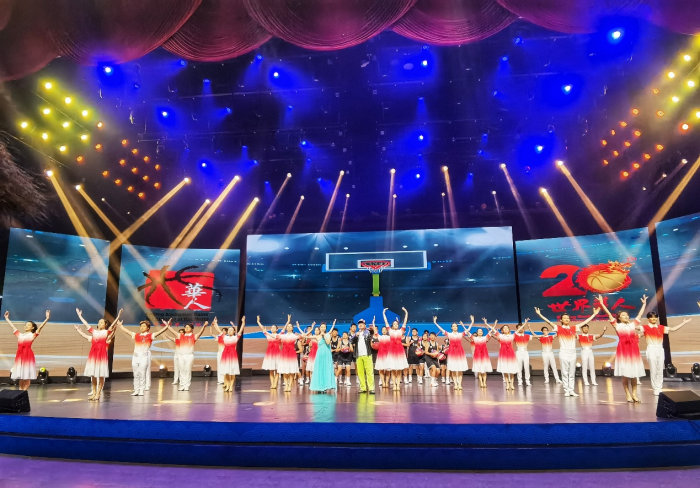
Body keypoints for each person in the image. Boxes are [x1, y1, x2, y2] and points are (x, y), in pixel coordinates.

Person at [535, 306, 599, 397]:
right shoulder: (558, 328)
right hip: (564, 352)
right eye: (564, 318)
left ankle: (571, 390)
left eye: (568, 318)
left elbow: (585, 322)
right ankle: (566, 390)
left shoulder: (574, 328)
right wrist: (539, 314)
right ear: (561, 320)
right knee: (565, 372)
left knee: (572, 372)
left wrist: (594, 314)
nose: (566, 319)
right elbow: (548, 322)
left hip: (572, 353)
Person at [598, 294, 648, 403]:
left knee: (634, 374)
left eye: (626, 315)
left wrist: (644, 304)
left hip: (633, 350)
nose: (625, 316)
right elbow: (609, 314)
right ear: (619, 318)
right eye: (623, 315)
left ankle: (634, 394)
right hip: (623, 350)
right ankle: (627, 394)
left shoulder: (633, 325)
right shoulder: (617, 325)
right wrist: (602, 304)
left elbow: (640, 315)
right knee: (625, 375)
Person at [640, 311, 691, 396]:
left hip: (660, 349)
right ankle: (655, 388)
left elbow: (673, 329)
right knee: (653, 370)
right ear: (648, 318)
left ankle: (659, 387)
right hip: (651, 349)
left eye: (655, 317)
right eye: (652, 317)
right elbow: (634, 327)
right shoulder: (645, 327)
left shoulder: (661, 327)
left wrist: (684, 323)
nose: (654, 319)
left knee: (660, 369)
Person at [74, 308, 121, 401]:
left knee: (101, 375)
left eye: (102, 322)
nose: (100, 323)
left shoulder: (105, 332)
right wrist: (80, 316)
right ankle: (94, 392)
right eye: (99, 322)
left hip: (101, 355)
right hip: (93, 355)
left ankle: (98, 393)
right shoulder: (94, 332)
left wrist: (118, 316)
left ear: (105, 325)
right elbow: (86, 324)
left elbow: (112, 326)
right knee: (93, 375)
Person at [117, 318, 172, 396]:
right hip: (135, 357)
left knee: (142, 374)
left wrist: (166, 326)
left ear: (148, 328)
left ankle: (141, 390)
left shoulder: (150, 335)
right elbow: (127, 331)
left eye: (144, 326)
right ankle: (136, 390)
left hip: (143, 357)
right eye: (141, 326)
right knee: (136, 374)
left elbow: (160, 332)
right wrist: (120, 326)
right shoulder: (136, 335)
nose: (142, 327)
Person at [3, 310, 50, 391]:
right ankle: (20, 391)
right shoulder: (20, 335)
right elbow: (13, 327)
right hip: (20, 356)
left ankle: (24, 392)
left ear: (32, 327)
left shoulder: (32, 335)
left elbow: (40, 328)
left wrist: (47, 318)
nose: (26, 326)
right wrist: (7, 318)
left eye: (28, 325)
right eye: (25, 325)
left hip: (27, 355)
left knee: (27, 376)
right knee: (21, 376)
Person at [433, 316, 472, 390]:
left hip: (460, 352)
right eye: (453, 326)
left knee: (460, 370)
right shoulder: (449, 334)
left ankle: (459, 384)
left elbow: (468, 330)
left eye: (456, 326)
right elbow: (441, 329)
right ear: (451, 328)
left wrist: (472, 322)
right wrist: (435, 322)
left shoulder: (460, 334)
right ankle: (456, 384)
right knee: (453, 370)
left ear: (457, 327)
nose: (454, 327)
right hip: (452, 353)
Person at [212, 317, 245, 392]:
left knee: (232, 372)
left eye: (231, 330)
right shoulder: (225, 337)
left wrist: (243, 323)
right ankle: (227, 385)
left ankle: (231, 386)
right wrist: (215, 323)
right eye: (229, 330)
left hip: (232, 355)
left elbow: (240, 330)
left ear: (234, 331)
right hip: (225, 355)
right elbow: (218, 330)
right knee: (226, 372)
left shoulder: (236, 337)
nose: (230, 331)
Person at [175, 320, 209, 392]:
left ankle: (186, 385)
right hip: (181, 355)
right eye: (185, 327)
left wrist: (204, 326)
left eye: (188, 327)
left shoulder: (194, 336)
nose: (186, 328)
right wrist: (167, 326)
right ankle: (182, 385)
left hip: (189, 355)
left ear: (192, 329)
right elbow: (172, 331)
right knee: (182, 370)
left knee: (187, 370)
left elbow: (200, 333)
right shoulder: (181, 336)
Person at [484, 319, 518, 391]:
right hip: (503, 354)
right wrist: (486, 323)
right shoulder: (500, 336)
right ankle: (507, 384)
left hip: (511, 354)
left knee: (512, 370)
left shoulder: (512, 336)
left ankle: (512, 384)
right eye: (504, 328)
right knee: (505, 370)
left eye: (507, 328)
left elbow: (519, 329)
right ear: (502, 330)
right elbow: (493, 329)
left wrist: (525, 323)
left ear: (509, 329)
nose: (505, 329)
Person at [279, 322, 312, 392]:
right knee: (285, 372)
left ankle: (289, 386)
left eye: (290, 326)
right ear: (286, 328)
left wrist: (310, 329)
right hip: (284, 354)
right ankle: (286, 386)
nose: (289, 327)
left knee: (291, 371)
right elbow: (275, 336)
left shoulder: (294, 336)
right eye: (288, 326)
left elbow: (304, 335)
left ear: (292, 328)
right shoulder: (283, 336)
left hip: (292, 354)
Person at [257, 316, 288, 389]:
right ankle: (272, 383)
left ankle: (275, 383)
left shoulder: (279, 335)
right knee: (271, 370)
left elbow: (284, 328)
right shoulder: (268, 335)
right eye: (272, 327)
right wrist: (258, 322)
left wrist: (288, 321)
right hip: (270, 354)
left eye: (274, 328)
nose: (272, 328)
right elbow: (262, 328)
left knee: (277, 370)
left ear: (277, 329)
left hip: (277, 354)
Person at [383, 307, 409, 391]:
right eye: (394, 324)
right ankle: (394, 385)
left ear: (398, 325)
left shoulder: (401, 331)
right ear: (392, 325)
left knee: (399, 369)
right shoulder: (390, 331)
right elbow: (386, 322)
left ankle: (398, 385)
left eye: (396, 324)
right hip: (392, 351)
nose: (395, 325)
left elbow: (405, 321)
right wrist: (384, 313)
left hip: (399, 350)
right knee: (393, 369)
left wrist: (406, 312)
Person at [309, 320, 337, 393]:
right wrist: (312, 328)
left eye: (324, 327)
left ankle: (326, 386)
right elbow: (305, 336)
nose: (323, 328)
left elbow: (328, 342)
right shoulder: (317, 336)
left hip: (326, 354)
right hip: (320, 354)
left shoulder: (328, 335)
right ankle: (319, 386)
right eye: (321, 327)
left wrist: (324, 335)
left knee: (326, 369)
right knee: (319, 369)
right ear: (320, 328)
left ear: (325, 328)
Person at [352, 318, 375, 394]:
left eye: (362, 323)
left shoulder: (367, 332)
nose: (360, 325)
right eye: (359, 324)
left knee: (369, 372)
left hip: (367, 354)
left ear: (365, 325)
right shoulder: (356, 333)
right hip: (359, 355)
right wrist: (355, 336)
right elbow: (351, 341)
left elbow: (372, 332)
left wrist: (371, 328)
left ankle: (371, 388)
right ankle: (363, 388)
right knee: (360, 373)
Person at [513, 319, 532, 387]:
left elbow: (535, 335)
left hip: (525, 352)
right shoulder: (515, 336)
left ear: (524, 329)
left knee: (526, 367)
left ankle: (527, 381)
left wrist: (529, 327)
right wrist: (524, 323)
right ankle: (520, 381)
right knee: (519, 367)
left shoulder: (527, 336)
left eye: (522, 328)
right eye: (519, 328)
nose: (521, 329)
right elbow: (515, 333)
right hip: (518, 352)